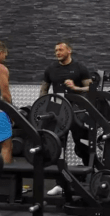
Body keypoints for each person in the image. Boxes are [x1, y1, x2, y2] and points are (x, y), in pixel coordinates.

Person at [40, 41, 94, 195]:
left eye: (61, 50)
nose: (57, 52)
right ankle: (61, 183)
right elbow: (44, 89)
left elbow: (90, 88)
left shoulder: (79, 68)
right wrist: (41, 106)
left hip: (77, 111)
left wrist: (76, 88)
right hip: (58, 112)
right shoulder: (51, 69)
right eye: (56, 50)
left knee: (83, 146)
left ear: (69, 51)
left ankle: (89, 179)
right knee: (58, 148)